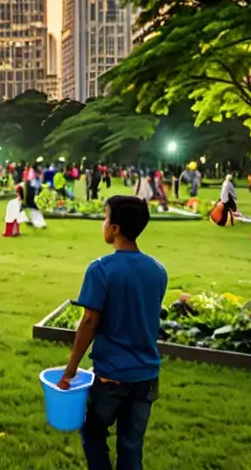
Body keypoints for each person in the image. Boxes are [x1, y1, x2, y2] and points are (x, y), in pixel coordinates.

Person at [58, 196, 167, 470]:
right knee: (131, 447)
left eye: (105, 218)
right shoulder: (157, 270)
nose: (103, 224)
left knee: (93, 432)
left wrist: (70, 370)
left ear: (115, 228)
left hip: (112, 377)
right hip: (147, 376)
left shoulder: (101, 269)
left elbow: (89, 322)